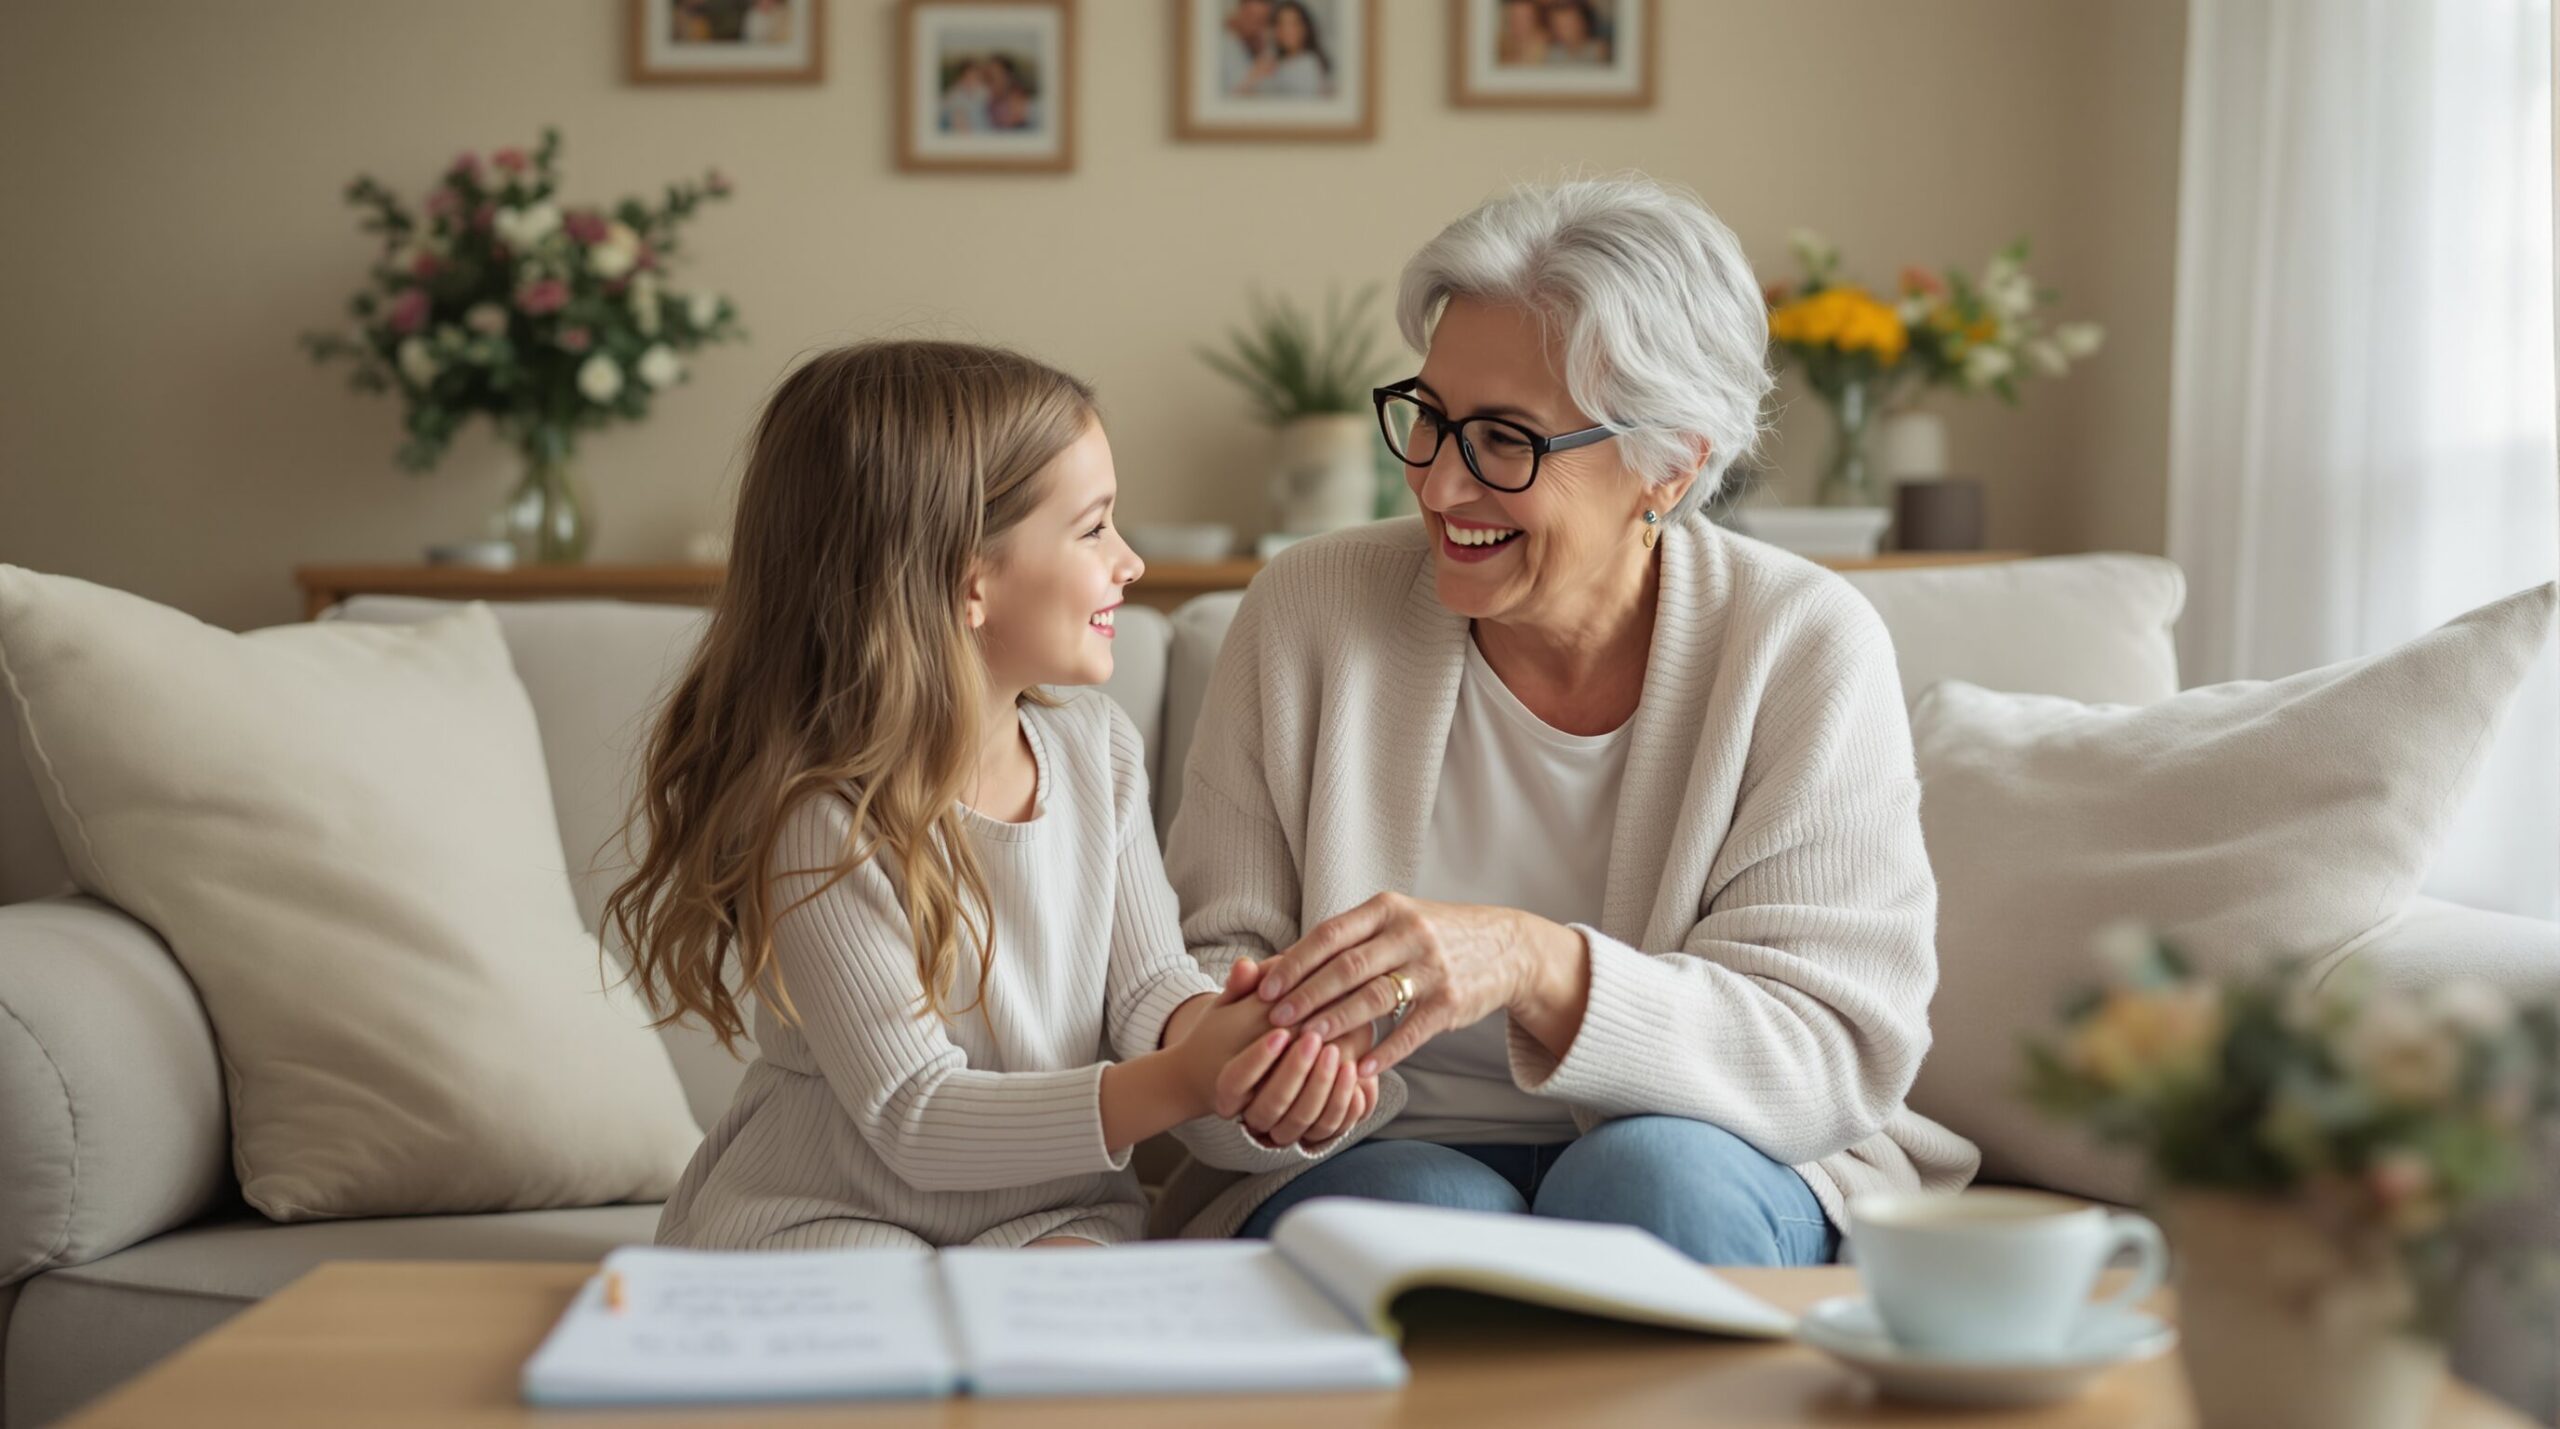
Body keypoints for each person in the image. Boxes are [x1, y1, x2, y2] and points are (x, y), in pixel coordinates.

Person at [1154, 176, 1980, 1261]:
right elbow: (1206, 974)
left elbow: (1828, 1051)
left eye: (1506, 441)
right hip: (1378, 1153)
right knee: (1417, 1218)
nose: (1442, 486)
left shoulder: (1801, 644)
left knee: (1648, 1181)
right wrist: (1256, 1076)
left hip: (1722, 1152)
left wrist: (1535, 963)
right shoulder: (1306, 610)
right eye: (1431, 419)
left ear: (1672, 463)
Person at [606, 341, 1395, 1251]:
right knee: (872, 1316)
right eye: (1094, 527)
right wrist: (1184, 1081)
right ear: (968, 577)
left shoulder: (1098, 751)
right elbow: (914, 1111)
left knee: (1078, 1321)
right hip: (829, 1207)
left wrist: (1248, 1044)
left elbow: (1149, 985)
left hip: (1050, 1209)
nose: (1129, 561)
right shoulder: (821, 815)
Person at [1258, 2, 1335, 97]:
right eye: (1280, 23)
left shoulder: (1307, 65)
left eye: (1293, 24)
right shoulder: (1274, 64)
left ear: (1304, 29)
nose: (1285, 30)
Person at [1220, 0, 1276, 95]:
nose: (1254, 26)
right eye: (1250, 16)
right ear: (1240, 11)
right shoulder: (1222, 43)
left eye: (1261, 21)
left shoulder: (1265, 48)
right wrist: (1255, 75)